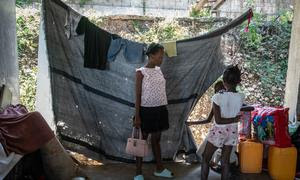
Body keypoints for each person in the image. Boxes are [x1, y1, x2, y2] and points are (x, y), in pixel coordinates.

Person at [134, 43, 173, 180]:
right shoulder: (140, 72)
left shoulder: (158, 70)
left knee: (156, 139)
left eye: (162, 56)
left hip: (160, 109)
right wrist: (137, 116)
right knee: (142, 141)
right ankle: (138, 173)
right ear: (151, 55)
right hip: (146, 111)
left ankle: (159, 169)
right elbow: (138, 96)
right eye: (160, 56)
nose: (162, 59)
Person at [201, 66, 245, 180]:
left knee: (205, 158)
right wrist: (234, 120)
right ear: (238, 82)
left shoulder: (217, 97)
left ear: (224, 82)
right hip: (232, 131)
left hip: (219, 131)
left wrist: (234, 119)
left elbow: (219, 120)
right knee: (225, 162)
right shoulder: (241, 96)